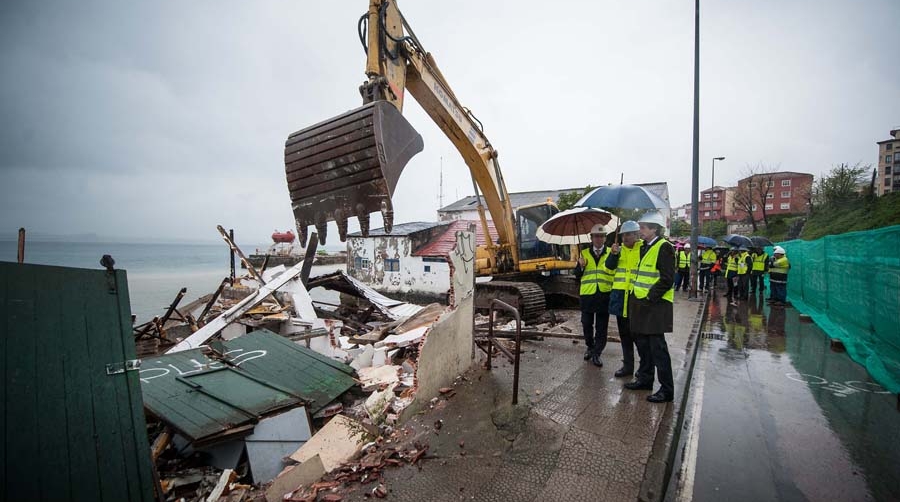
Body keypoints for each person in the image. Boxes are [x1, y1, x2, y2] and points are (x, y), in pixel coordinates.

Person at [624, 211, 675, 403]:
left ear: (654, 228)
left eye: (643, 227)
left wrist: (649, 299)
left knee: (658, 349)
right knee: (643, 346)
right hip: (640, 303)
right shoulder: (644, 247)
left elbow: (667, 279)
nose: (640, 231)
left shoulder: (665, 247)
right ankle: (645, 379)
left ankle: (667, 390)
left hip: (656, 305)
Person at [605, 220, 643, 378]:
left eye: (629, 234)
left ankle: (644, 369)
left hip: (636, 298)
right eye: (623, 235)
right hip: (621, 299)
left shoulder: (643, 249)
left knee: (640, 338)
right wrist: (613, 255)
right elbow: (609, 268)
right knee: (625, 337)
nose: (625, 237)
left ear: (636, 234)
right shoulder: (617, 250)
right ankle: (628, 366)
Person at [574, 224, 614, 366]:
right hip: (588, 296)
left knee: (602, 327)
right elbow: (577, 275)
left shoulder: (611, 252)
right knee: (586, 325)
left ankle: (597, 353)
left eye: (601, 236)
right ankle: (590, 347)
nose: (598, 239)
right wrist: (581, 266)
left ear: (605, 238)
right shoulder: (583, 253)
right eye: (596, 236)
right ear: (591, 238)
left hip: (604, 296)